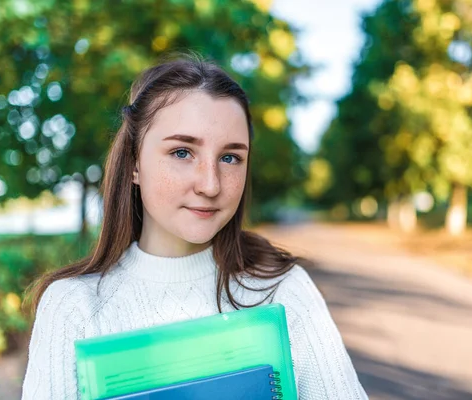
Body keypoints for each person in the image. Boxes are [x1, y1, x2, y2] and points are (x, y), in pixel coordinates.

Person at [21, 54, 368, 400]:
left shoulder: (281, 289)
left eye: (230, 157)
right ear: (134, 164)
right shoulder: (73, 308)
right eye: (183, 152)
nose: (210, 185)